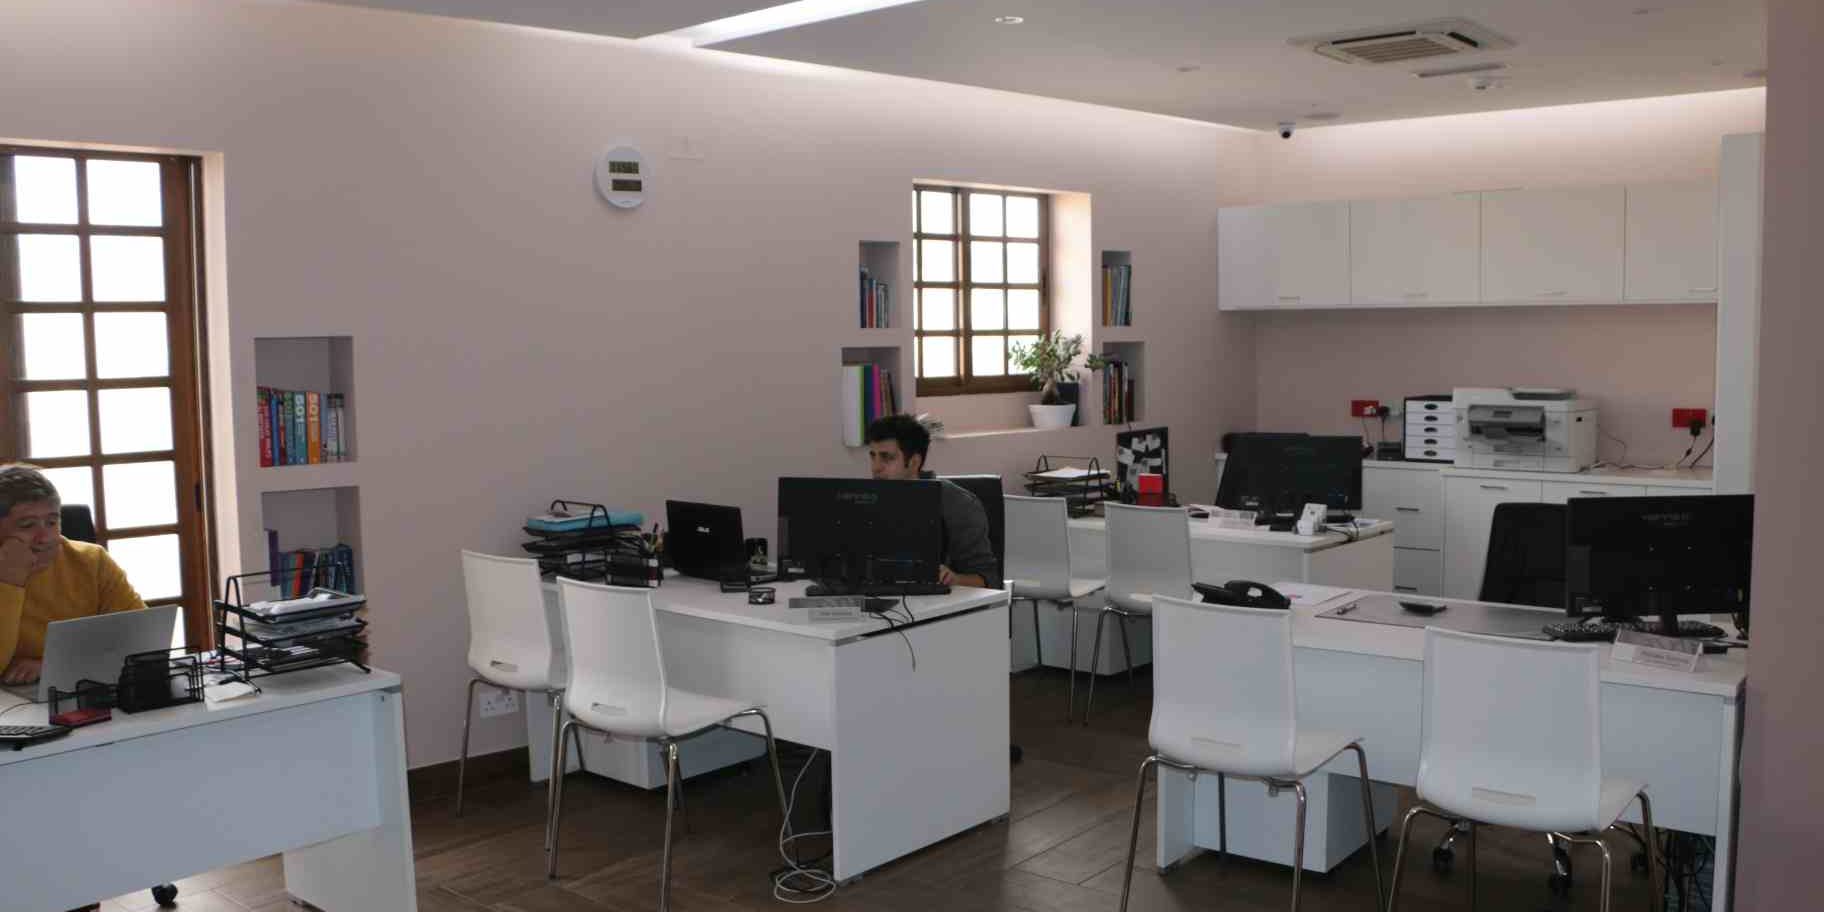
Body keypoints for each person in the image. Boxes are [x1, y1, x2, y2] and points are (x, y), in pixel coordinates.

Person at [0, 464, 147, 687]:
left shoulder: (93, 561)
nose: (45, 537)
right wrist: (9, 582)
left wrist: (49, 665)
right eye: (28, 525)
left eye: (52, 522)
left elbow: (141, 640)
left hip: (83, 686)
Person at [864, 415, 1000, 589]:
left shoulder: (958, 504)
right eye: (873, 456)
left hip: (944, 603)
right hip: (880, 597)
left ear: (914, 462)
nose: (875, 467)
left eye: (886, 457)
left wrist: (955, 579)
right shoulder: (866, 499)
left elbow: (990, 580)